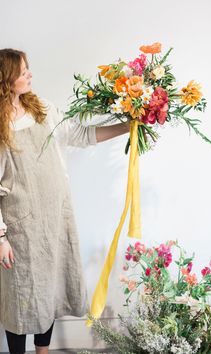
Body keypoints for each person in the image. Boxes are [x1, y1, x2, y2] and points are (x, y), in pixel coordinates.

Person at [0, 48, 129, 354]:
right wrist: (1, 236)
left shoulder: (42, 108)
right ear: (6, 80)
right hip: (21, 227)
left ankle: (43, 352)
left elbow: (79, 135)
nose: (30, 74)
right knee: (21, 298)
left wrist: (127, 126)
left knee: (50, 289)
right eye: (23, 71)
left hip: (56, 217)